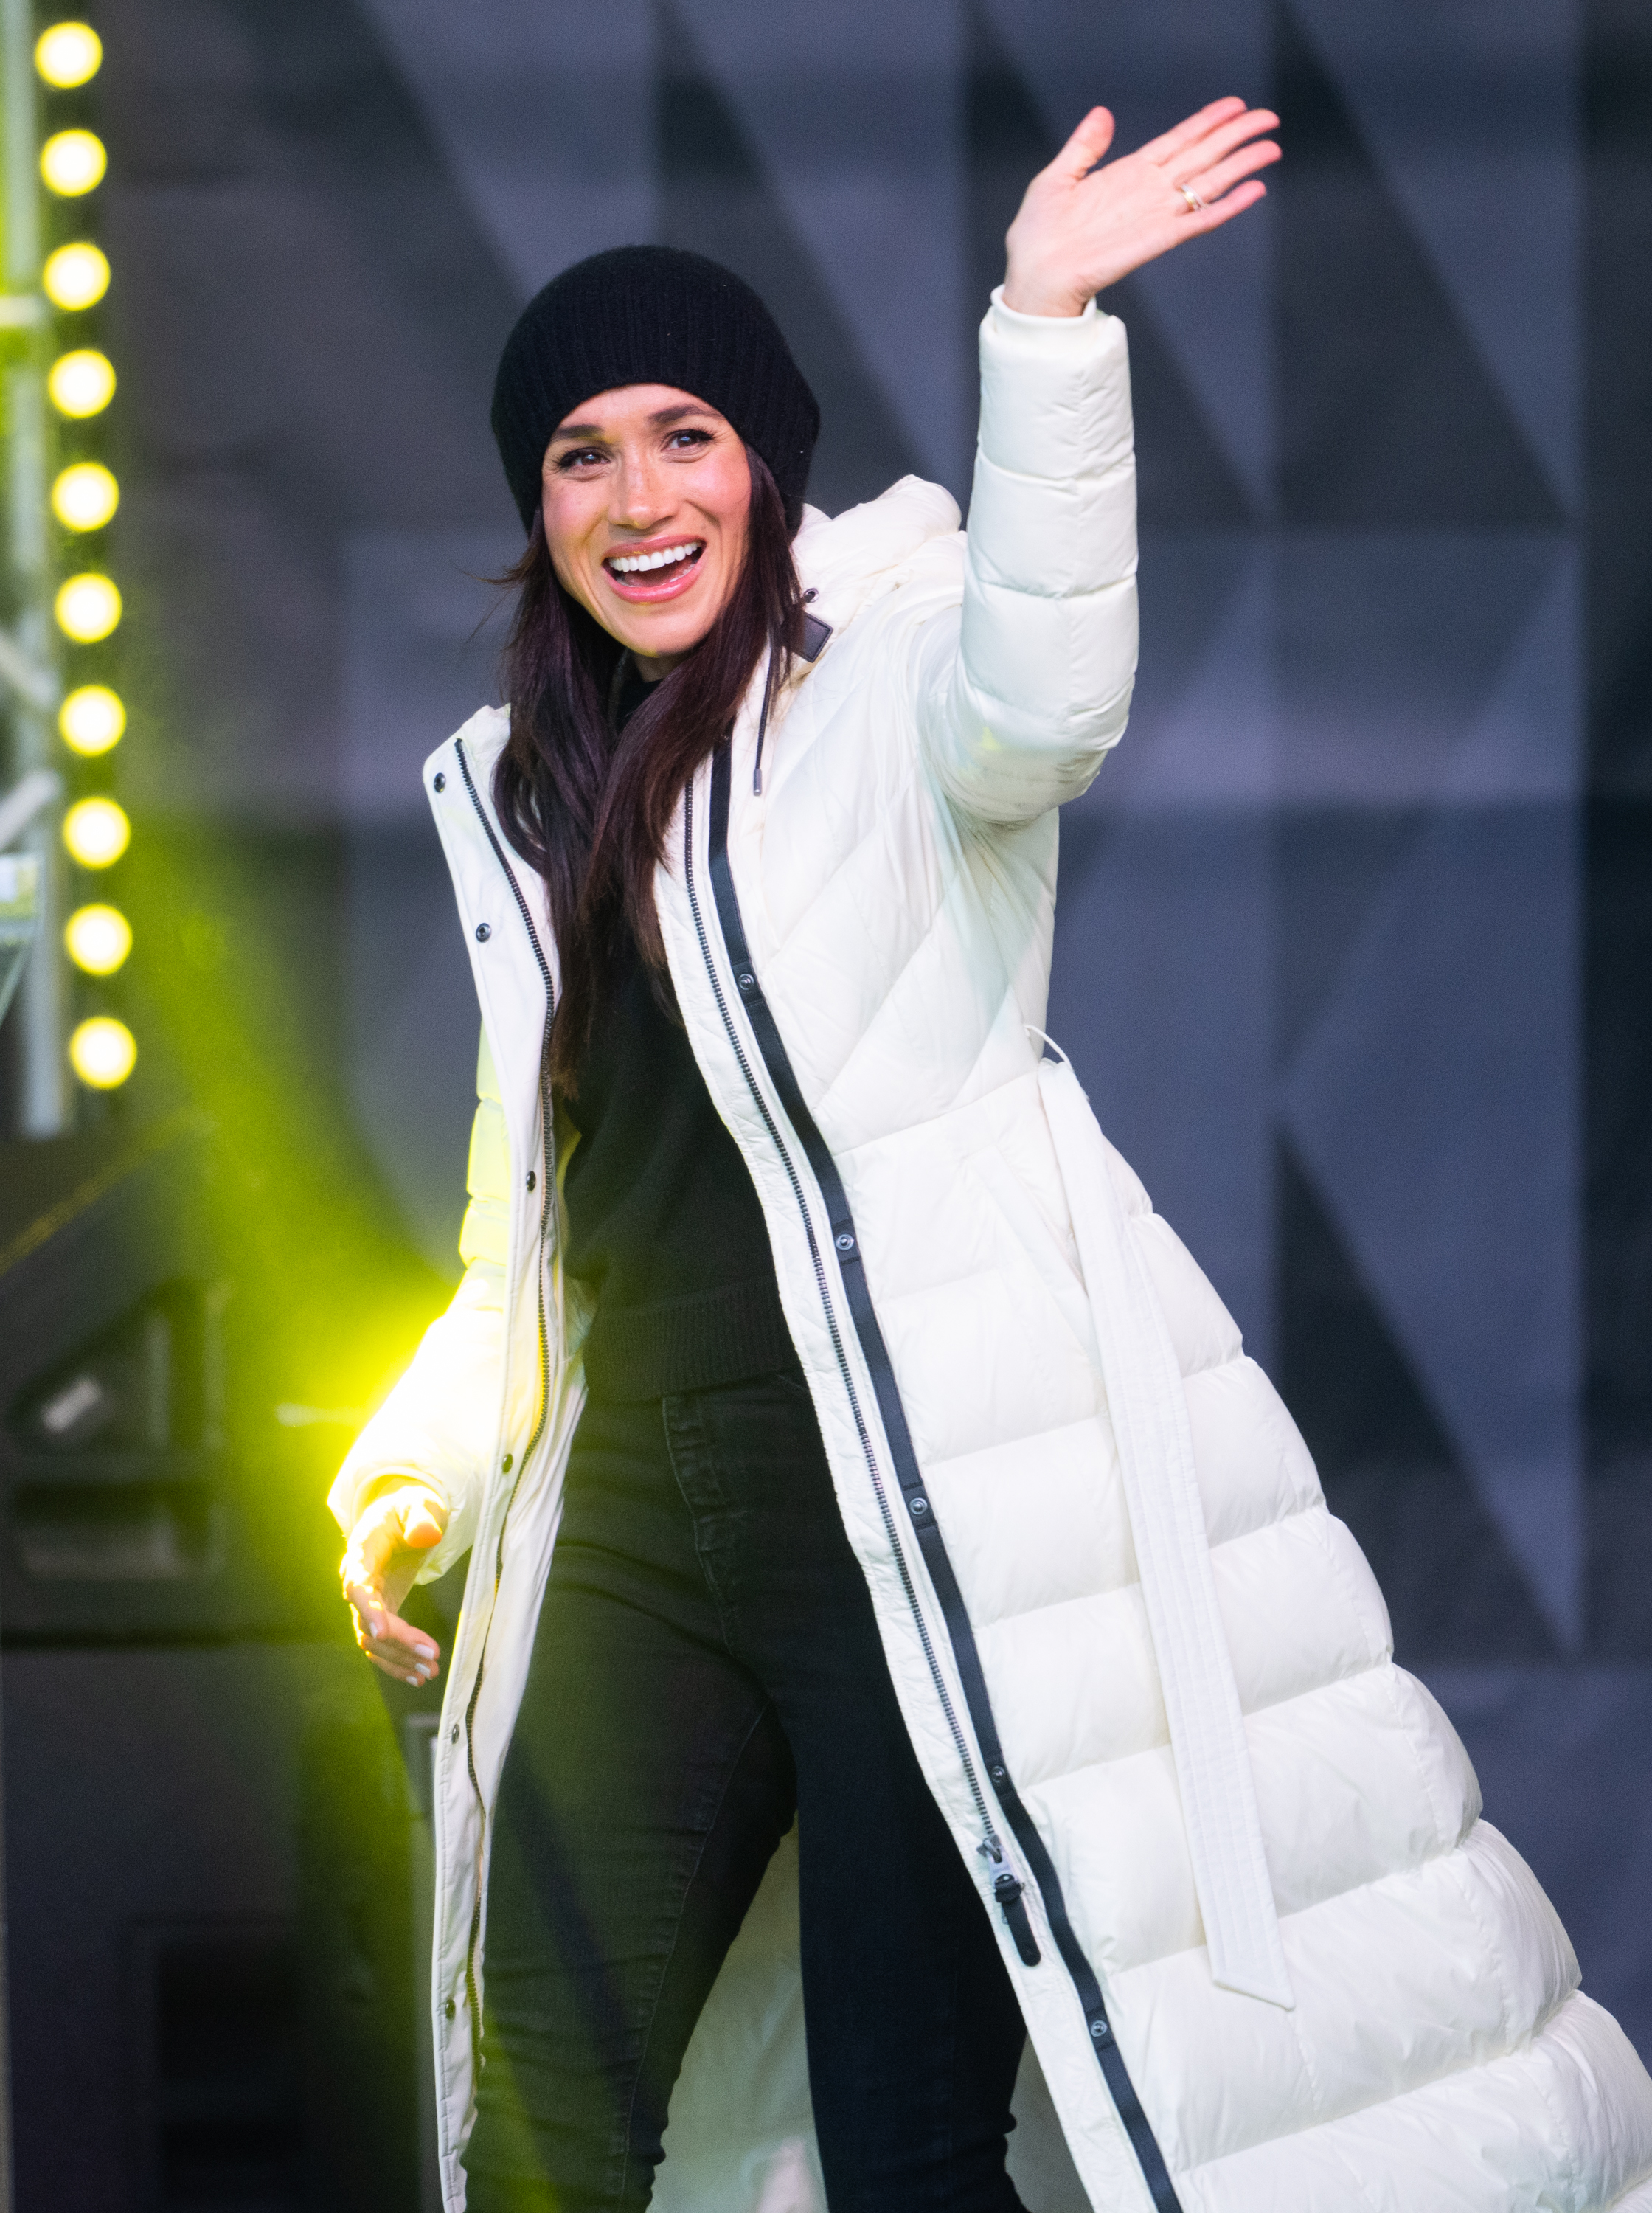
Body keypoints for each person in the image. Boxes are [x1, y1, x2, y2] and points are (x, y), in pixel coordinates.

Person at [330, 96, 1652, 2213]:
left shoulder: (902, 671)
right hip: (642, 1532)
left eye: (689, 433)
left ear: (768, 460)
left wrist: (1045, 328)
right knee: (543, 2112)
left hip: (918, 1522)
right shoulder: (524, 800)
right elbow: (536, 1226)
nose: (642, 495)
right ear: (537, 507)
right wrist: (421, 1463)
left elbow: (1047, 698)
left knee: (910, 2140)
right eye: (584, 453)